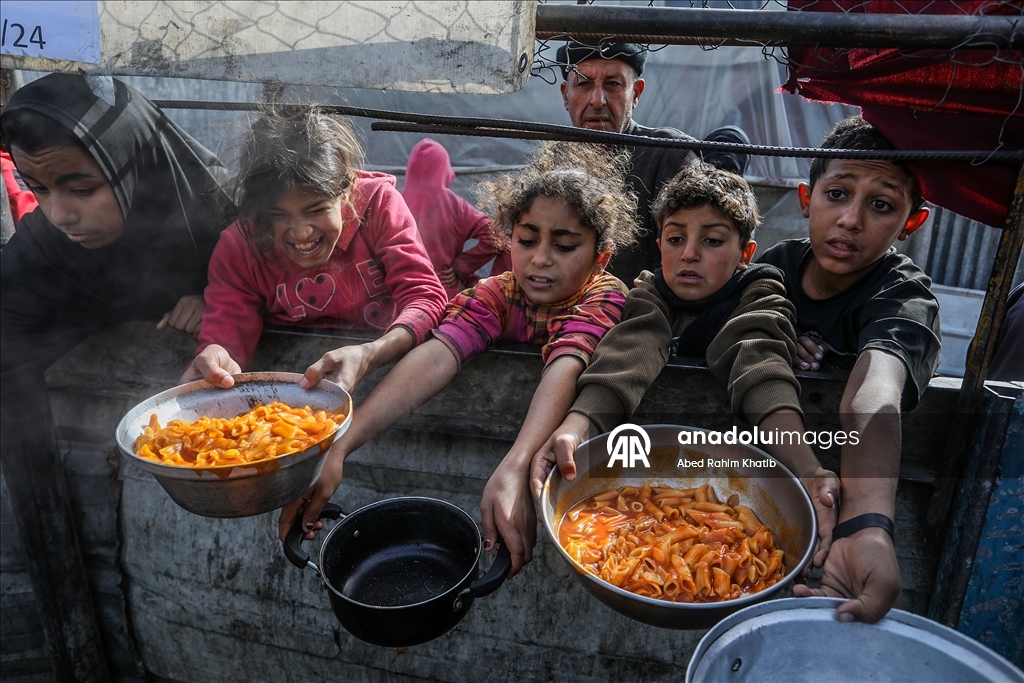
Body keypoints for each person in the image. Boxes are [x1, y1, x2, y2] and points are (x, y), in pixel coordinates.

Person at [278, 143, 641, 576]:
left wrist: (517, 464)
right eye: (526, 241)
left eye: (564, 246)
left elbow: (568, 362)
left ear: (601, 257)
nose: (540, 258)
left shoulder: (606, 295)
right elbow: (439, 354)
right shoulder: (498, 292)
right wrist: (341, 445)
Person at [531, 161, 840, 568]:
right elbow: (630, 352)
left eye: (712, 241)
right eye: (676, 238)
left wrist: (807, 468)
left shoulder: (760, 292)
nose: (689, 254)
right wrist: (574, 429)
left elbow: (759, 359)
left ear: (745, 254)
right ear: (659, 245)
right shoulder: (650, 292)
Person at [757, 115, 940, 623]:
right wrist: (771, 336)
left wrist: (867, 526)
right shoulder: (772, 268)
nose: (851, 220)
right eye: (836, 194)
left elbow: (874, 391)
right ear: (805, 198)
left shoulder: (904, 294)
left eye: (881, 205)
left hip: (831, 520)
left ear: (911, 222)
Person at [180, 107, 448, 393]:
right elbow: (226, 334)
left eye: (317, 209)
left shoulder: (379, 207)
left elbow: (424, 297)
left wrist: (370, 354)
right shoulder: (241, 244)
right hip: (288, 386)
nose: (300, 232)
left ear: (346, 192)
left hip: (386, 367)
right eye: (277, 215)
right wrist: (216, 358)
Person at [556, 40, 752, 283]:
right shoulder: (552, 160)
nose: (598, 100)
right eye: (584, 84)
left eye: (613, 84)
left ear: (636, 93)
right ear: (566, 95)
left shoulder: (669, 154)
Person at [402, 138, 500, 298]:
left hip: (400, 294)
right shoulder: (455, 205)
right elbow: (497, 237)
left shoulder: (394, 200)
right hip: (441, 294)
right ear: (443, 169)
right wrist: (461, 266)